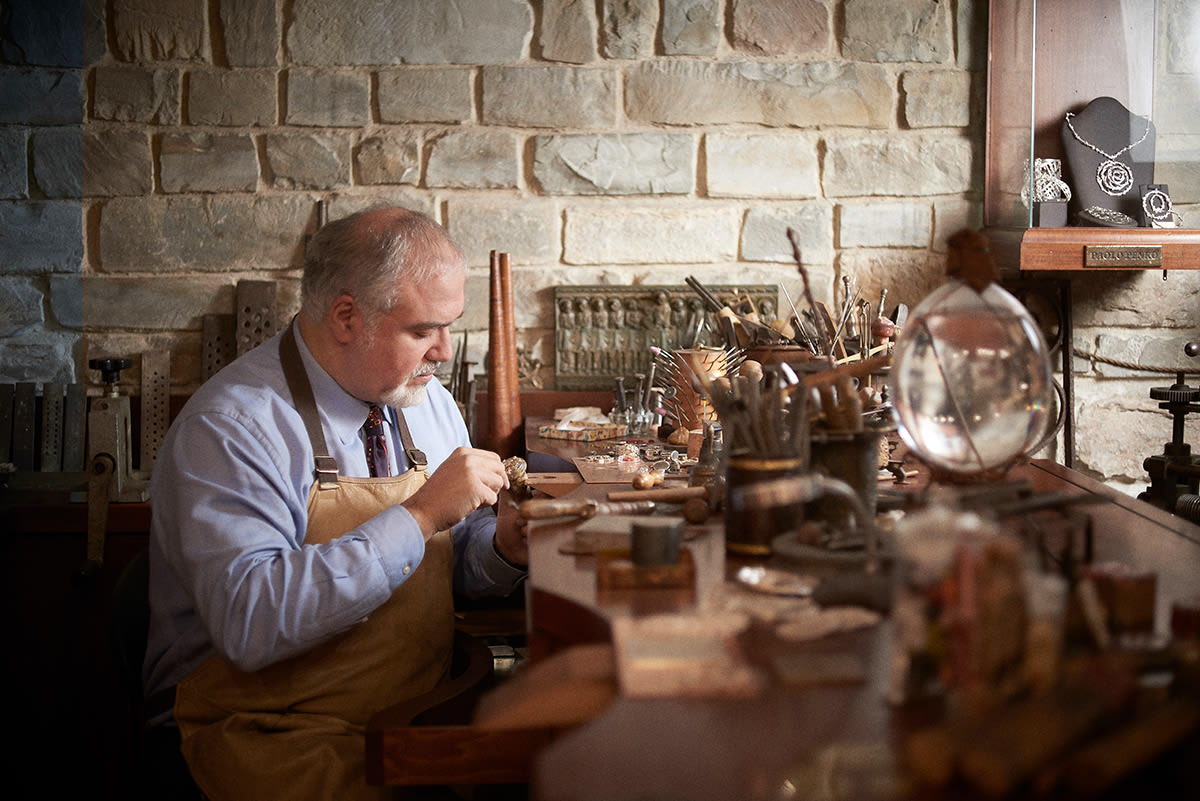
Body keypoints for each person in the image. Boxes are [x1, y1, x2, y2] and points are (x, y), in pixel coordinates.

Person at [143, 206, 529, 801]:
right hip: (267, 730)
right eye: (423, 330)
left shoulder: (427, 403)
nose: (444, 352)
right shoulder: (231, 428)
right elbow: (251, 623)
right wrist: (422, 512)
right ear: (347, 316)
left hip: (404, 711)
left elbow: (443, 565)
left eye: (449, 327)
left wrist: (503, 547)